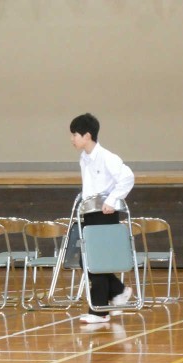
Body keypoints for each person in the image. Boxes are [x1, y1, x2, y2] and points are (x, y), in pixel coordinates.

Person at [70, 113, 135, 324]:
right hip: (90, 212)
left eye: (75, 135)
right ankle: (118, 291)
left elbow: (127, 177)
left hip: (105, 213)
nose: (72, 139)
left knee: (97, 260)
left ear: (87, 135)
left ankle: (100, 311)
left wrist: (113, 200)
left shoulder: (107, 157)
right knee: (87, 259)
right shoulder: (84, 158)